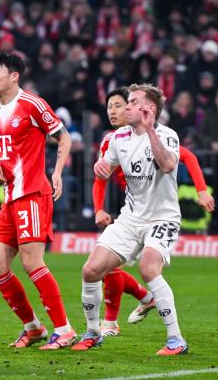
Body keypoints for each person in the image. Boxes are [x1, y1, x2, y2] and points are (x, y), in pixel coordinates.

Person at [73, 83, 188, 355]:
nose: (126, 106)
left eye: (133, 102)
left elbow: (169, 165)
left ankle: (176, 339)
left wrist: (149, 130)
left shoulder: (166, 134)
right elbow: (105, 169)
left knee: (149, 269)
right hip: (130, 219)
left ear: (149, 109)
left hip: (163, 218)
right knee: (90, 270)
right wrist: (101, 168)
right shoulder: (118, 137)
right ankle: (93, 332)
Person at [93, 87, 215, 337]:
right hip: (132, 210)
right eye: (112, 107)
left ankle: (114, 321)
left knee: (140, 267)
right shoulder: (112, 140)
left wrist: (201, 190)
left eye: (121, 105)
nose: (116, 110)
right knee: (100, 265)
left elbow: (185, 158)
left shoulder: (164, 134)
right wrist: (98, 208)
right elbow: (101, 177)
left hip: (159, 212)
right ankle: (114, 318)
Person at [0, 52, 76, 350]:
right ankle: (33, 327)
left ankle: (64, 329)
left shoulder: (32, 104)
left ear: (14, 75)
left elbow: (64, 137)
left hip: (33, 192)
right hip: (9, 197)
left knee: (32, 261)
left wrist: (57, 172)